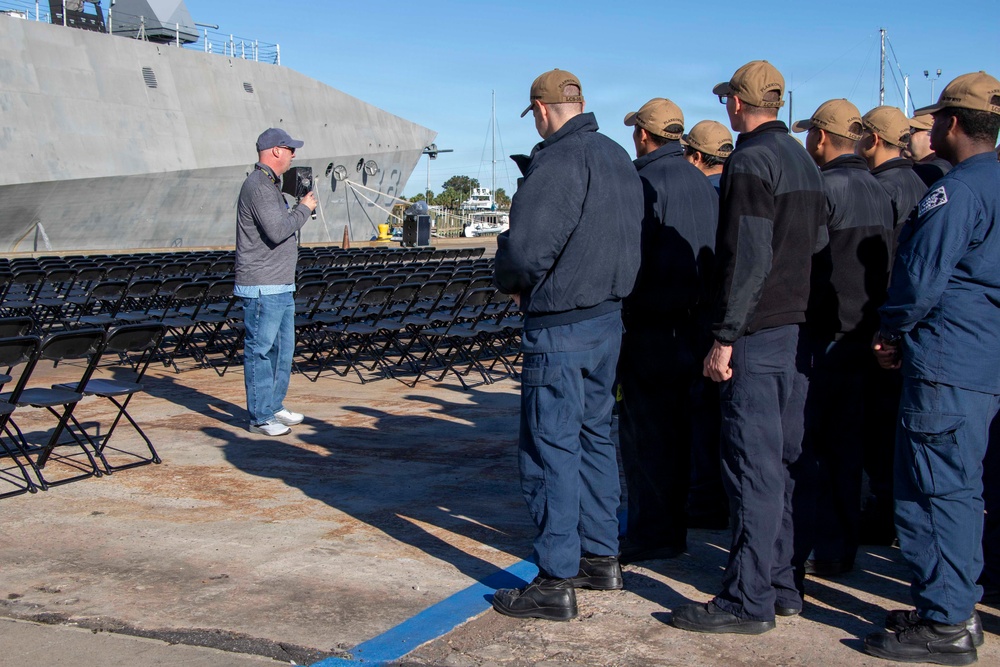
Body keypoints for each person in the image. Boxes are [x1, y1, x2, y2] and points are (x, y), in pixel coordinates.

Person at [671, 60, 825, 635]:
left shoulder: (751, 159)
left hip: (756, 334)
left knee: (751, 467)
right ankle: (781, 584)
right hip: (792, 329)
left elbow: (750, 254)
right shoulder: (802, 160)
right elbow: (815, 242)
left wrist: (725, 336)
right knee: (779, 465)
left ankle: (748, 598)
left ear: (737, 104)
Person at [491, 69, 642, 621]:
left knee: (551, 449)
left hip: (562, 327)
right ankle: (602, 558)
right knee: (596, 439)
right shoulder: (615, 156)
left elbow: (526, 251)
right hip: (608, 320)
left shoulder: (558, 160)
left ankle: (556, 578)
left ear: (540, 107)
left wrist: (508, 278)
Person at [866, 70, 1000, 665]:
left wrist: (890, 329)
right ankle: (949, 605)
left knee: (935, 490)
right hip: (983, 358)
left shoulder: (958, 192)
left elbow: (920, 279)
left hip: (947, 359)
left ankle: (948, 621)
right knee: (962, 488)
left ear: (951, 122)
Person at [789, 99, 894, 578]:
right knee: (848, 452)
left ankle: (816, 546)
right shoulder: (877, 188)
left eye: (811, 133)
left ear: (821, 137)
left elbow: (803, 263)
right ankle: (839, 548)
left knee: (813, 451)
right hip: (864, 336)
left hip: (826, 338)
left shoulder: (823, 188)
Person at [616, 98, 719, 562]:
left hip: (652, 330)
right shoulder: (702, 183)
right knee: (683, 434)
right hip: (696, 326)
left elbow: (629, 261)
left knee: (648, 440)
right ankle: (674, 524)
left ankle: (653, 534)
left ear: (642, 134)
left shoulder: (642, 183)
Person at [235, 127, 316, 436]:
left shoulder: (272, 187)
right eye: (290, 148)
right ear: (276, 151)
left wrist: (297, 208)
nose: (294, 154)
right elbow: (278, 230)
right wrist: (304, 209)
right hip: (262, 284)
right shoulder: (257, 186)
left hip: (280, 284)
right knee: (260, 352)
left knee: (282, 351)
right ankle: (259, 417)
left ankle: (273, 405)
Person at [679, 118, 733, 529]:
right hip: (736, 319)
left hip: (701, 316)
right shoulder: (739, 190)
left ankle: (703, 497)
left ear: (695, 156)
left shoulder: (694, 194)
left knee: (701, 414)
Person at [857, 105, 928, 235]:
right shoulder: (919, 182)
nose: (857, 139)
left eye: (861, 132)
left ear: (873, 139)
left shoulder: (877, 187)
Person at [681, 120, 734, 193]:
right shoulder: (737, 189)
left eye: (685, 149)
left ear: (696, 158)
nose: (682, 156)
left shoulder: (693, 193)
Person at [906, 114, 953, 186]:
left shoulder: (929, 172)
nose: (907, 135)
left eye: (912, 130)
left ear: (932, 134)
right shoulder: (947, 166)